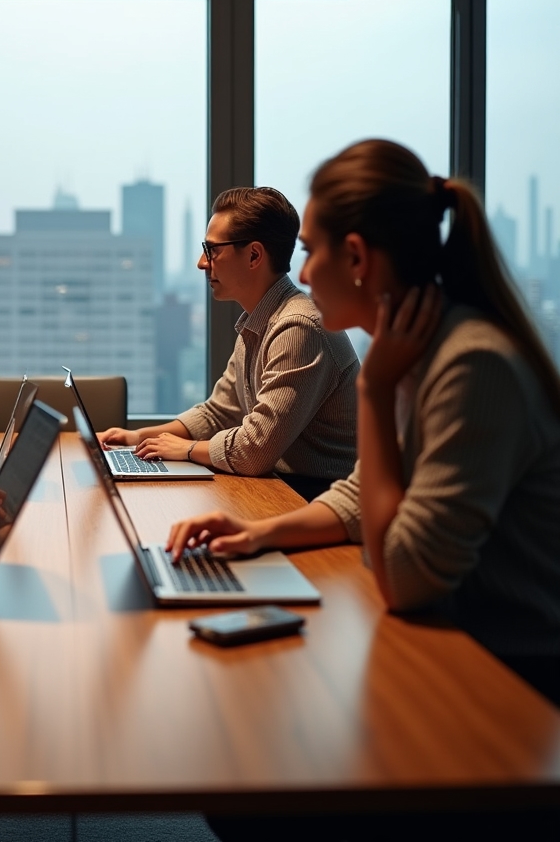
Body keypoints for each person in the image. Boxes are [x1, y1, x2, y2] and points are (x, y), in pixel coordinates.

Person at [168, 140, 560, 709]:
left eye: (308, 252)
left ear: (355, 258)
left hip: (511, 673)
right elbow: (361, 496)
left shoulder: (471, 365)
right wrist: (258, 536)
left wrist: (373, 393)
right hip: (455, 640)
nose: (300, 273)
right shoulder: (422, 348)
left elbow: (404, 577)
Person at [101, 186, 358, 501]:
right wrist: (140, 437)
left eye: (212, 250)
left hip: (316, 497)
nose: (201, 263)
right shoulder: (260, 322)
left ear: (253, 255)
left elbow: (254, 449)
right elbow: (219, 412)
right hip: (283, 488)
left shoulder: (297, 328)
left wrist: (187, 449)